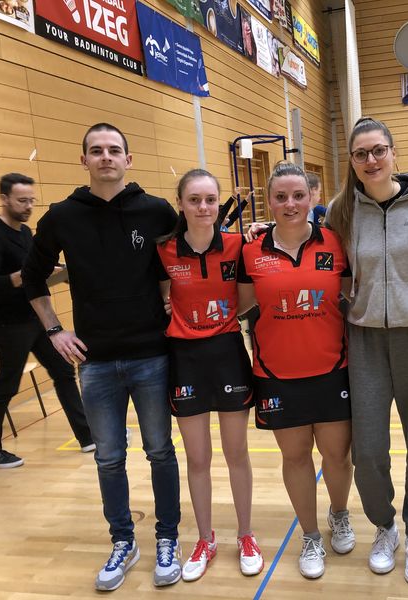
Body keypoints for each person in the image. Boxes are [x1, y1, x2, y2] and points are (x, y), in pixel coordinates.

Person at [21, 123, 182, 592]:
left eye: (114, 150)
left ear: (128, 160)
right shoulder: (61, 217)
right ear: (84, 160)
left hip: (151, 355)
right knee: (109, 458)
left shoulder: (155, 210)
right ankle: (123, 542)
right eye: (97, 151)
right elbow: (32, 277)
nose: (106, 157)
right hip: (95, 362)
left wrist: (172, 301)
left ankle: (167, 538)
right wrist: (54, 330)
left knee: (160, 451)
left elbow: (181, 260)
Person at [326, 116, 408, 586]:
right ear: (352, 161)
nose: (371, 160)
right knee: (370, 449)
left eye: (378, 150)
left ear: (394, 153)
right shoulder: (341, 211)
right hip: (366, 340)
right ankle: (384, 526)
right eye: (361, 154)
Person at [238, 162, 355, 580]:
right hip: (276, 374)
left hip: (332, 369)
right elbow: (241, 305)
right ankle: (310, 535)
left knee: (337, 456)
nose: (290, 204)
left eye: (298, 195)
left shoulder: (335, 243)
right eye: (281, 196)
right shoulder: (250, 251)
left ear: (312, 198)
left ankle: (339, 514)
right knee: (296, 456)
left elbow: (349, 294)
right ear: (269, 201)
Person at [156, 169, 263, 581]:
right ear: (180, 204)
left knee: (237, 453)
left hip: (227, 355)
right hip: (185, 360)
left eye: (210, 200)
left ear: (219, 203)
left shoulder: (238, 246)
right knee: (198, 458)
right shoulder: (164, 250)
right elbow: (160, 295)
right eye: (195, 200)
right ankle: (205, 539)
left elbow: (247, 299)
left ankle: (246, 536)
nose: (203, 207)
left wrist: (216, 320)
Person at [0, 173, 93, 468]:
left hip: (36, 320)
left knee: (64, 372)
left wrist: (55, 273)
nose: (28, 206)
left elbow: (35, 273)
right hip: (9, 324)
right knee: (6, 385)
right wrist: (23, 275)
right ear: (4, 199)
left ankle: (87, 436)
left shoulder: (26, 233)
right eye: (21, 201)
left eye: (31, 200)